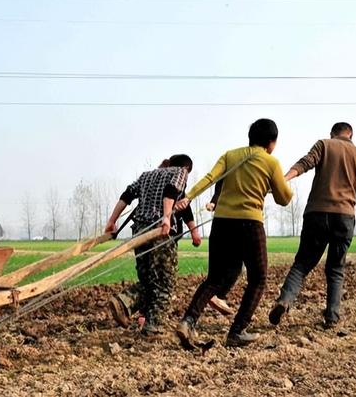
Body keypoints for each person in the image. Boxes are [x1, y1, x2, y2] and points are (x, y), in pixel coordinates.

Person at [175, 118, 292, 347]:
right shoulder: (271, 162)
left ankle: (188, 321)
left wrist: (188, 197)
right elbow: (284, 199)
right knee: (258, 278)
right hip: (250, 225)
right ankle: (237, 331)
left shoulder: (230, 155)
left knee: (215, 278)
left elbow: (210, 179)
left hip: (222, 224)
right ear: (271, 142)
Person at [268, 122, 356, 329]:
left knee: (302, 264)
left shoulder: (324, 145)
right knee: (335, 268)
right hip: (344, 217)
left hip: (316, 214)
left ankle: (285, 300)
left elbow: (305, 163)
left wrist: (283, 179)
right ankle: (332, 317)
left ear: (333, 134)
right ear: (350, 134)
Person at [105, 154, 197, 336]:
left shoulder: (147, 175)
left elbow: (127, 195)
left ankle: (123, 302)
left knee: (148, 280)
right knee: (164, 283)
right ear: (187, 168)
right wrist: (166, 217)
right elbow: (170, 192)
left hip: (139, 231)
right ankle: (153, 328)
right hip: (159, 232)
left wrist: (112, 221)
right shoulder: (180, 173)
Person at [204, 180, 235, 317]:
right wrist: (213, 203)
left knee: (215, 271)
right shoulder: (240, 172)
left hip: (218, 224)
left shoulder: (226, 173)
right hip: (235, 223)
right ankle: (219, 297)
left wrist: (213, 204)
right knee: (236, 265)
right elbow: (218, 193)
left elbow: (217, 193)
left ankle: (194, 313)